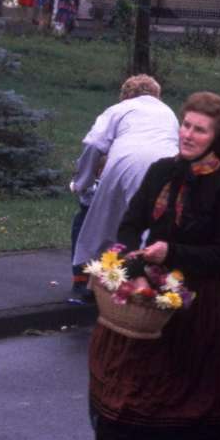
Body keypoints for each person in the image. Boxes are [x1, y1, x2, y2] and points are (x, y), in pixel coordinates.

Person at [88, 92, 220, 440]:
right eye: (186, 125)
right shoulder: (161, 171)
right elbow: (131, 223)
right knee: (127, 373)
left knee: (191, 385)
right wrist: (135, 266)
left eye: (200, 130)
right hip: (152, 290)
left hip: (203, 299)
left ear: (216, 138)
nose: (189, 135)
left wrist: (173, 253)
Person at [69, 75, 181, 296]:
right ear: (157, 94)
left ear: (126, 95)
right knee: (152, 226)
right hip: (167, 168)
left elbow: (93, 143)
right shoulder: (168, 112)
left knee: (98, 220)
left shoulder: (119, 109)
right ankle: (153, 287)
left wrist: (82, 183)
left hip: (126, 163)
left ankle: (86, 283)